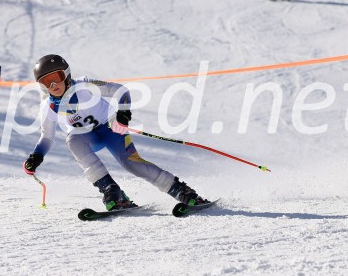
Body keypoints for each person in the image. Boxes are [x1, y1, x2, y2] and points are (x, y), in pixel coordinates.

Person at [23, 54, 209, 211]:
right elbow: (47, 137)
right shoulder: (47, 107)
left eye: (56, 77)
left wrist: (123, 113)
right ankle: (111, 191)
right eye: (46, 82)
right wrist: (37, 156)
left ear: (66, 74)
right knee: (73, 140)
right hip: (87, 137)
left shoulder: (84, 86)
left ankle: (182, 191)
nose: (53, 84)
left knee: (132, 164)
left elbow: (120, 91)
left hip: (111, 128)